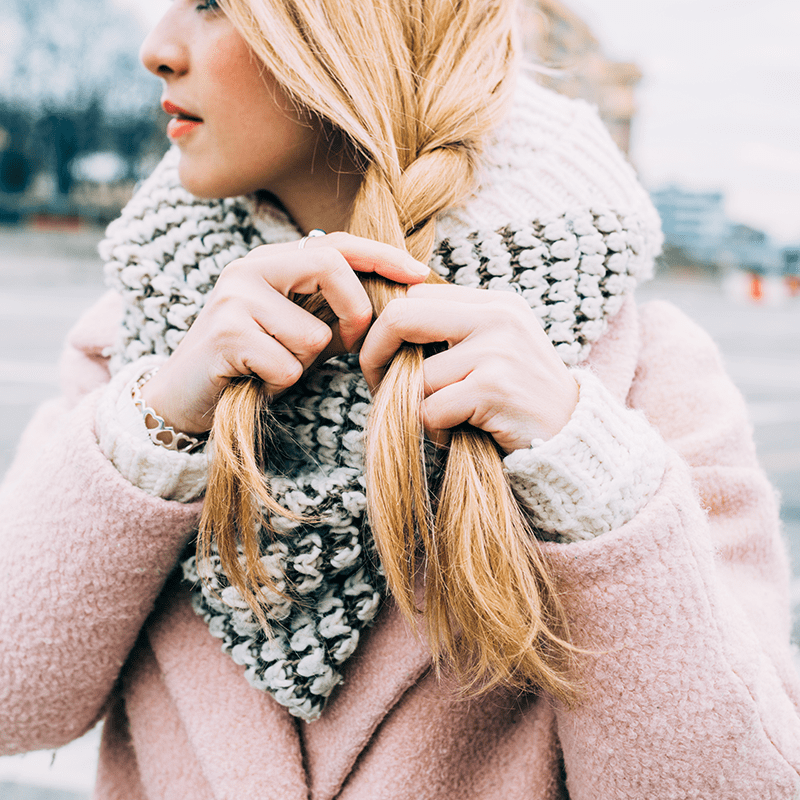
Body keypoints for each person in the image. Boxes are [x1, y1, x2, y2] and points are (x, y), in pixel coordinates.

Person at [2, 0, 799, 797]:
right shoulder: (137, 347)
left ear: (357, 28)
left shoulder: (644, 378)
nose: (156, 49)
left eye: (213, 5)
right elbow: (15, 706)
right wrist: (159, 427)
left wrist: (585, 471)